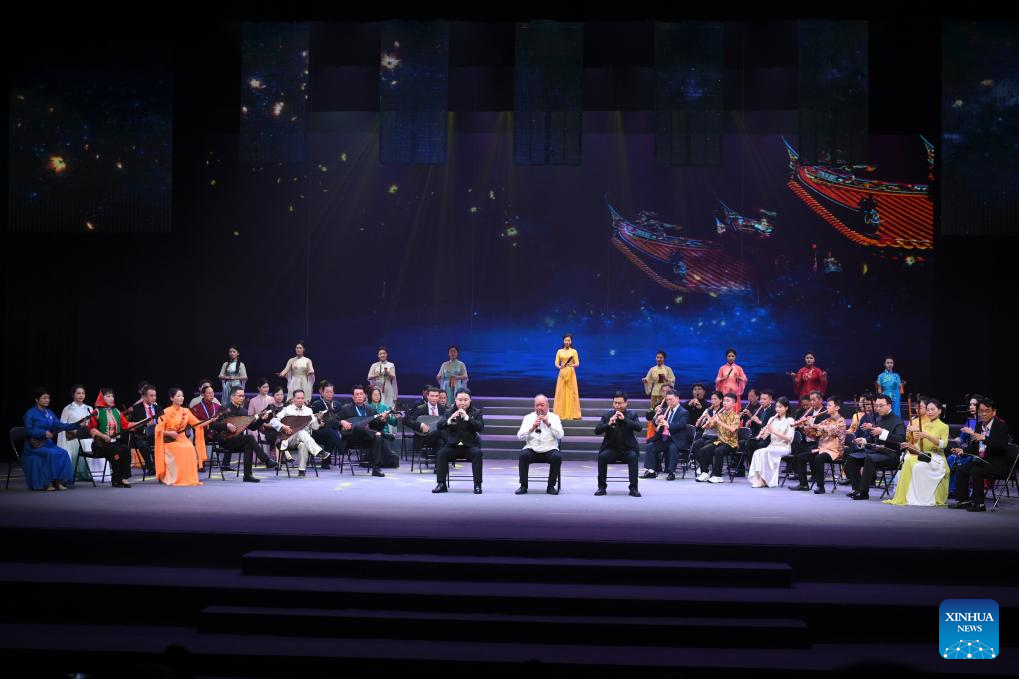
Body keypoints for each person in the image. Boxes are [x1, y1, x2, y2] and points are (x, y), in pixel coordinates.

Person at [884, 398, 949, 506]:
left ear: (939, 411)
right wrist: (910, 445)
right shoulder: (922, 425)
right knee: (908, 460)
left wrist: (927, 436)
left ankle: (922, 498)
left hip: (936, 458)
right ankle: (907, 497)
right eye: (928, 410)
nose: (930, 412)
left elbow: (943, 445)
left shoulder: (944, 426)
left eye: (933, 409)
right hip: (923, 455)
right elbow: (919, 446)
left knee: (918, 466)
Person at [950, 397, 1010, 512]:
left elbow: (1002, 446)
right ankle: (964, 500)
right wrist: (963, 451)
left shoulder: (1000, 426)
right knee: (961, 468)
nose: (984, 414)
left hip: (996, 464)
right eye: (981, 411)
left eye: (987, 411)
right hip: (981, 462)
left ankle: (979, 504)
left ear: (994, 412)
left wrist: (984, 438)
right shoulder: (979, 426)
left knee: (976, 470)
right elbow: (974, 447)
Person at [844, 394, 906, 500]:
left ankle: (863, 492)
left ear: (889, 406)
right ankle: (857, 489)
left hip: (891, 454)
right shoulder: (878, 419)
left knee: (869, 458)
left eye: (881, 406)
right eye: (877, 406)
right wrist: (863, 440)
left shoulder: (897, 421)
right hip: (877, 452)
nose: (878, 408)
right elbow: (873, 438)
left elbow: (900, 440)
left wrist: (883, 432)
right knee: (851, 458)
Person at [211, 386, 276, 482]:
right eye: (239, 396)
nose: (242, 398)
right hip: (225, 440)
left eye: (243, 396)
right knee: (249, 438)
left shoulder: (244, 411)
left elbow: (252, 427)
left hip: (238, 441)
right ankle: (266, 460)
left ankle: (247, 475)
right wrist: (226, 425)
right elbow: (213, 425)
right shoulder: (224, 408)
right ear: (232, 397)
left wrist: (261, 420)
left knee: (248, 444)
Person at [21, 387, 77, 491]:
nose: (47, 400)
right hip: (34, 446)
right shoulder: (30, 413)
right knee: (51, 454)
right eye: (44, 398)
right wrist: (43, 433)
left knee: (63, 453)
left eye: (48, 398)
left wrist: (77, 425)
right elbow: (28, 431)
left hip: (47, 444)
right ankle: (48, 482)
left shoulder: (48, 412)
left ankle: (58, 481)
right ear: (37, 399)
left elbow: (59, 425)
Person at [434, 388, 485, 494]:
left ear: (470, 400)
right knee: (442, 453)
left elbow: (480, 427)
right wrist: (449, 420)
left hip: (470, 446)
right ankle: (441, 484)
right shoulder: (449, 412)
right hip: (453, 446)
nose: (462, 403)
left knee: (477, 453)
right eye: (460, 400)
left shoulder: (476, 412)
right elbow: (439, 426)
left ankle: (477, 485)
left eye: (465, 400)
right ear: (455, 400)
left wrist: (467, 418)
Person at [154, 387, 209, 487]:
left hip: (182, 438)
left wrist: (211, 420)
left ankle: (188, 478)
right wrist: (170, 433)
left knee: (190, 447)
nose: (181, 398)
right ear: (172, 398)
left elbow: (197, 424)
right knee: (181, 448)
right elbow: (158, 430)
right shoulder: (165, 412)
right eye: (178, 396)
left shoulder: (186, 411)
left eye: (182, 396)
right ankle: (175, 477)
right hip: (169, 440)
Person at [86, 388, 138, 488]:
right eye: (108, 396)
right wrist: (103, 436)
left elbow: (126, 425)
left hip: (114, 443)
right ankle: (116, 480)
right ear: (102, 398)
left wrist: (137, 424)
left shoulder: (116, 411)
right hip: (100, 445)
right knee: (117, 452)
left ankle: (124, 478)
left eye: (112, 396)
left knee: (126, 449)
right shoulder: (97, 412)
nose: (111, 398)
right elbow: (91, 429)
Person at [269, 389, 328, 478]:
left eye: (302, 398)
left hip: (304, 439)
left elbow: (315, 427)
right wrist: (283, 426)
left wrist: (318, 419)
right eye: (298, 398)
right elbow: (273, 421)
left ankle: (301, 470)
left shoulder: (308, 410)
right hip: (289, 439)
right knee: (302, 432)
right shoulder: (287, 410)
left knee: (303, 443)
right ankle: (320, 452)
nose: (300, 400)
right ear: (293, 399)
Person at [594, 392, 643, 497]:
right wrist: (609, 423)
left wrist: (624, 419)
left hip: (628, 449)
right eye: (615, 403)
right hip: (611, 449)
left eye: (620, 403)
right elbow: (597, 431)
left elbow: (639, 428)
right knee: (602, 457)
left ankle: (633, 488)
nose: (617, 405)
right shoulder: (607, 415)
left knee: (633, 457)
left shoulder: (632, 414)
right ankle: (601, 487)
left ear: (626, 403)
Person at [337, 385, 392, 477]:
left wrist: (383, 420)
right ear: (353, 397)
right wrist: (341, 422)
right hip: (352, 439)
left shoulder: (370, 409)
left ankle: (376, 469)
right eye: (357, 394)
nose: (359, 396)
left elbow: (377, 426)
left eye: (361, 394)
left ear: (365, 396)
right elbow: (333, 421)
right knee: (357, 427)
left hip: (367, 438)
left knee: (377, 437)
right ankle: (384, 435)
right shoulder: (346, 409)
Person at [515, 394, 564, 495]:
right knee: (523, 455)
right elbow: (520, 436)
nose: (539, 408)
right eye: (537, 405)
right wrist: (532, 428)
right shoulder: (528, 417)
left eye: (542, 405)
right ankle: (523, 486)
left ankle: (551, 486)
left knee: (557, 457)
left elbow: (560, 435)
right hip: (532, 449)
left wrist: (548, 424)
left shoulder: (554, 417)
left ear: (547, 405)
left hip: (549, 449)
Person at [797, 396, 847, 494]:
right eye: (827, 405)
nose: (827, 407)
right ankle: (803, 484)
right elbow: (815, 434)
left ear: (837, 408)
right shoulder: (826, 420)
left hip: (834, 451)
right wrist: (804, 426)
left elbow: (831, 431)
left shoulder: (841, 421)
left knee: (818, 458)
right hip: (822, 449)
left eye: (829, 405)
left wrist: (813, 425)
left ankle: (821, 486)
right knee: (801, 457)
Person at [642, 388, 690, 481]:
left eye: (671, 399)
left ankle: (672, 472)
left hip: (677, 439)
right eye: (667, 400)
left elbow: (681, 425)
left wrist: (667, 424)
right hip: (665, 438)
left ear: (677, 399)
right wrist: (657, 420)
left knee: (672, 448)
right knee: (650, 446)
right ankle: (651, 471)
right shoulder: (665, 411)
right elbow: (656, 424)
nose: (668, 402)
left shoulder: (683, 412)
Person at [747, 396, 795, 488]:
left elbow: (789, 438)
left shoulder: (790, 420)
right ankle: (760, 479)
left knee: (765, 452)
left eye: (780, 407)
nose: (777, 409)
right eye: (776, 407)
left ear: (786, 408)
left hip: (784, 447)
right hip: (772, 446)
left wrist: (774, 431)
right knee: (758, 452)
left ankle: (765, 480)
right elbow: (765, 436)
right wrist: (762, 433)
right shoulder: (772, 419)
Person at [695, 392, 740, 484]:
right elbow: (710, 427)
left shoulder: (736, 416)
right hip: (720, 441)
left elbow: (733, 429)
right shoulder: (720, 415)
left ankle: (718, 476)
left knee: (718, 451)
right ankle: (705, 473)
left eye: (728, 401)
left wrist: (719, 422)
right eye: (724, 401)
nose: (725, 403)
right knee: (703, 450)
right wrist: (708, 420)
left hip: (731, 443)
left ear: (734, 404)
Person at [58, 384, 99, 482]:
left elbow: (93, 424)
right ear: (73, 395)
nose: (81, 395)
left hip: (85, 437)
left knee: (88, 445)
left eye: (83, 393)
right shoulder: (67, 409)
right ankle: (71, 474)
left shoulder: (89, 408)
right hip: (71, 437)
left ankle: (86, 473)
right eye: (78, 393)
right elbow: (62, 426)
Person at [309, 381, 342, 470]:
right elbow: (311, 421)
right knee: (331, 431)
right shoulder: (316, 404)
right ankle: (342, 448)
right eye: (327, 392)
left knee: (331, 435)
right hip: (318, 432)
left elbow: (341, 419)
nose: (329, 394)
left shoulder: (338, 404)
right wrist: (318, 421)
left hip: (333, 432)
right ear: (322, 393)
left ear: (333, 393)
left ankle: (325, 462)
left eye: (331, 392)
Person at [406, 386, 445, 461]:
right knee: (441, 432)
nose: (434, 398)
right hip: (423, 437)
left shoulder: (443, 409)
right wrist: (420, 425)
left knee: (441, 441)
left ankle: (439, 465)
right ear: (427, 396)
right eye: (432, 396)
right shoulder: (420, 408)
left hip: (438, 438)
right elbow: (407, 421)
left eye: (436, 396)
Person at [129, 384, 160, 476]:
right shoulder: (136, 408)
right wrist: (145, 428)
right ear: (144, 396)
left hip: (157, 433)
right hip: (142, 435)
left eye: (155, 395)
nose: (154, 398)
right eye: (151, 396)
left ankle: (159, 466)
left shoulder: (158, 408)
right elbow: (133, 425)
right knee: (142, 445)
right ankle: (150, 467)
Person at [553, 334, 582, 420]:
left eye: (569, 340)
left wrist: (571, 365)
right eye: (566, 340)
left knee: (571, 392)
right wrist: (560, 367)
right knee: (561, 392)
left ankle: (573, 413)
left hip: (571, 373)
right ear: (563, 341)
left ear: (571, 341)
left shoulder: (574, 351)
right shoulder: (559, 351)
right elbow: (556, 363)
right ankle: (560, 413)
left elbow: (577, 364)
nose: (567, 342)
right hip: (562, 373)